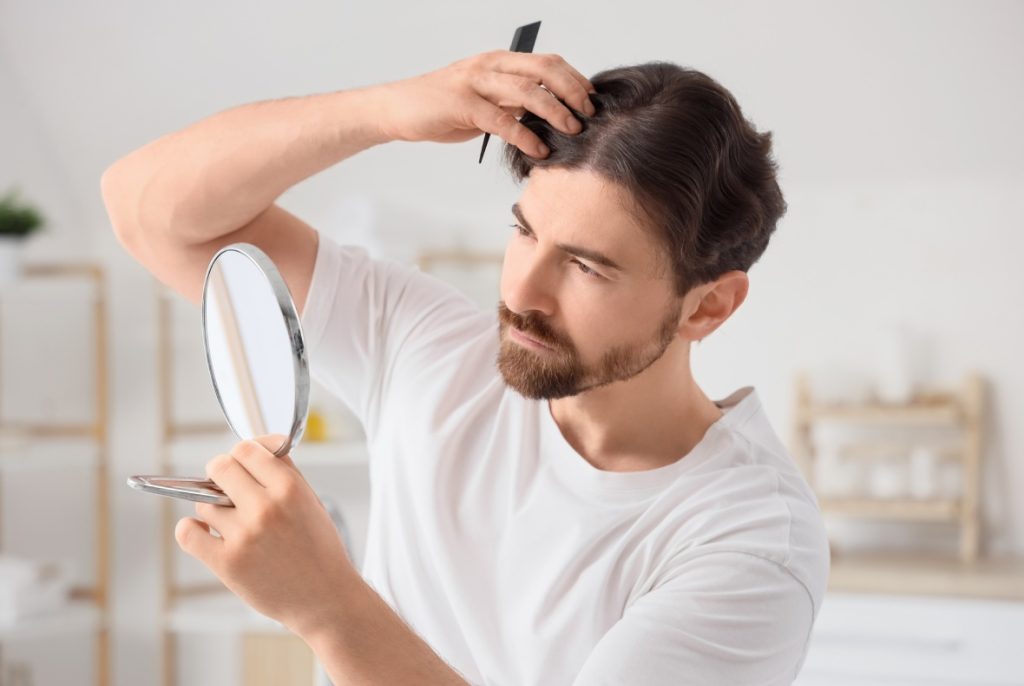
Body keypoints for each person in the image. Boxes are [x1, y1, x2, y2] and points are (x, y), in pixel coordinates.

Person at [102, 49, 829, 685]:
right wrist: (387, 109)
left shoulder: (750, 543)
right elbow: (147, 211)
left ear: (707, 308)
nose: (521, 293)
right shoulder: (433, 347)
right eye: (524, 232)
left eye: (586, 267)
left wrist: (326, 608)